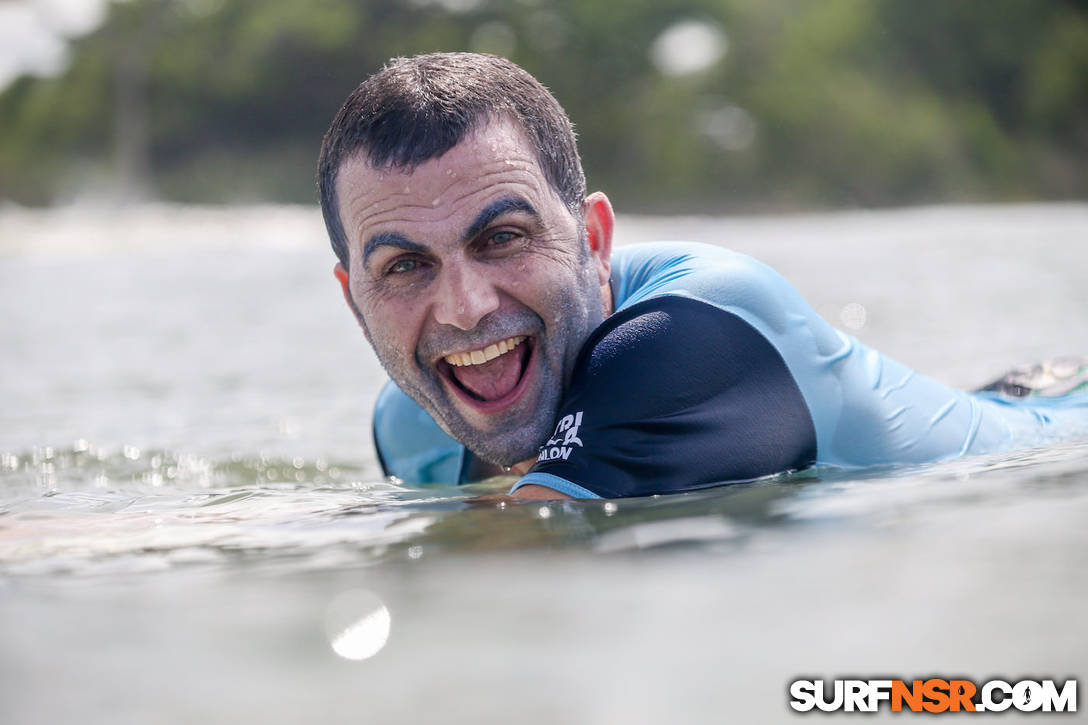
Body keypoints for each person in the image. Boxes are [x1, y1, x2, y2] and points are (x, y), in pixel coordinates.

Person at [318, 52, 1088, 500]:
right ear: (356, 305)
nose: (464, 306)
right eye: (406, 265)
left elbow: (529, 564)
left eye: (503, 238)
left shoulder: (693, 333)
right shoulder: (411, 424)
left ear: (593, 238)